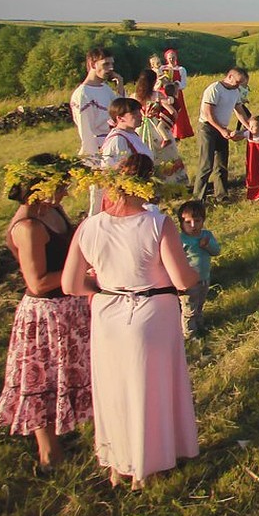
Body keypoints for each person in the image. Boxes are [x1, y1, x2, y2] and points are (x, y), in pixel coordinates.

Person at [61, 154, 201, 489]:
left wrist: (103, 287)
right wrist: (195, 275)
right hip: (151, 314)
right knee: (148, 388)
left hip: (107, 314)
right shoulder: (158, 224)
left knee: (115, 390)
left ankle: (116, 462)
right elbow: (182, 279)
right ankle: (144, 466)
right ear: (147, 183)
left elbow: (70, 285)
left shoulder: (89, 226)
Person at [0, 154, 92, 469]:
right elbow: (37, 282)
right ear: (40, 186)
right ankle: (49, 454)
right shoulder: (28, 226)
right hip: (47, 315)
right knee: (44, 380)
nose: (66, 191)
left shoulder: (51, 210)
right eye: (61, 185)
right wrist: (87, 277)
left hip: (70, 307)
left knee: (70, 374)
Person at [193, 67, 250, 203]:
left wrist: (249, 127)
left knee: (222, 164)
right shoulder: (214, 89)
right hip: (207, 128)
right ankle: (198, 199)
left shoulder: (235, 91)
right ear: (229, 76)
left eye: (241, 83)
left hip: (222, 129)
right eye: (237, 82)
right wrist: (222, 130)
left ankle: (221, 195)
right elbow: (208, 113)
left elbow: (239, 110)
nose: (239, 85)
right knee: (206, 164)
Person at [70, 46, 123, 162]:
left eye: (111, 64)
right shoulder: (83, 94)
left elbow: (122, 110)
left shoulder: (105, 88)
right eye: (106, 64)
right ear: (93, 65)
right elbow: (86, 131)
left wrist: (120, 84)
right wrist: (94, 159)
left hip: (114, 144)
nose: (111, 68)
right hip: (100, 149)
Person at [136, 71, 189, 186]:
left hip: (141, 126)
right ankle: (172, 183)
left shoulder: (135, 97)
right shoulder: (157, 95)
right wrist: (171, 122)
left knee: (144, 152)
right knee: (166, 153)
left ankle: (147, 183)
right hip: (156, 125)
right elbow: (172, 111)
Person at [176, 199, 221, 338]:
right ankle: (189, 333)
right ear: (182, 224)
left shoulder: (206, 235)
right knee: (189, 308)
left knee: (200, 304)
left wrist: (207, 245)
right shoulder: (181, 240)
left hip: (204, 278)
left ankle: (200, 324)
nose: (193, 225)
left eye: (197, 221)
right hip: (188, 282)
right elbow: (176, 260)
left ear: (203, 220)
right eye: (188, 222)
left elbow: (216, 251)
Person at [159, 49, 194, 141]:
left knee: (177, 113)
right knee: (164, 112)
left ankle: (177, 133)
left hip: (177, 94)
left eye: (173, 57)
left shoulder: (181, 69)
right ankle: (164, 132)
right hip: (164, 94)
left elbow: (183, 84)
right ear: (166, 58)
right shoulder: (162, 68)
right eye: (169, 58)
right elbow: (158, 80)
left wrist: (176, 84)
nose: (171, 59)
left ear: (176, 57)